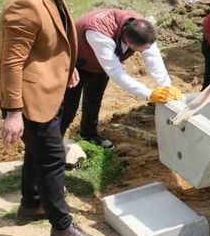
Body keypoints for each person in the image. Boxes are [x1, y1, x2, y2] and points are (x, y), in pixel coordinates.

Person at [0, 0, 99, 236]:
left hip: (45, 86)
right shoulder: (25, 4)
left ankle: (32, 204)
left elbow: (53, 39)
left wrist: (68, 68)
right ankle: (61, 229)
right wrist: (13, 112)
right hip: (27, 97)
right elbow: (12, 63)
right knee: (51, 158)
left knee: (37, 151)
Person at [60, 9, 182, 151]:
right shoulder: (99, 33)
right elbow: (115, 71)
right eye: (140, 50)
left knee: (94, 98)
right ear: (129, 43)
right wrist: (148, 94)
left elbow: (153, 55)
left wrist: (165, 85)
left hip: (100, 65)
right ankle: (54, 141)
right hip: (75, 61)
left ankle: (88, 134)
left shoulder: (141, 30)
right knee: (68, 105)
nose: (144, 52)